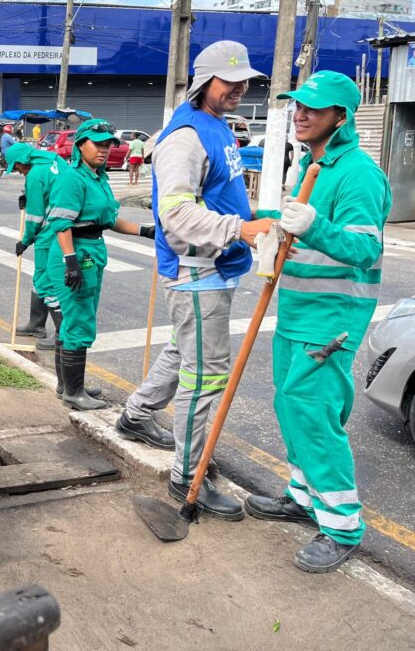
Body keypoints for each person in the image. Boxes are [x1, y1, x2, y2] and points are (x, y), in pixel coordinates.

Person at [116, 41, 273, 520]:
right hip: (198, 272)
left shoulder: (218, 125)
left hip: (214, 267)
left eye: (245, 81)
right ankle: (188, 476)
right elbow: (176, 216)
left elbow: (221, 195)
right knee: (205, 376)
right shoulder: (185, 137)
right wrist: (240, 229)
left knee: (184, 352)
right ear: (205, 82)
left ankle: (136, 415)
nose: (240, 89)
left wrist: (255, 218)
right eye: (230, 81)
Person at [245, 72, 391, 573]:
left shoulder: (358, 173)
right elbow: (299, 230)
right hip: (296, 312)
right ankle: (303, 497)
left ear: (341, 117)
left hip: (331, 319)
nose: (300, 115)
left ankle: (342, 526)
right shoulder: (313, 164)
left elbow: (364, 247)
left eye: (314, 108)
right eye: (298, 106)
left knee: (314, 416)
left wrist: (315, 225)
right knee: (290, 407)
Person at [44, 120, 155, 410]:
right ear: (81, 145)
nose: (104, 150)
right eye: (98, 144)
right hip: (75, 251)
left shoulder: (98, 178)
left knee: (73, 320)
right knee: (79, 321)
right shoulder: (72, 178)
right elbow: (62, 223)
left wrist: (145, 231)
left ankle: (67, 386)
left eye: (108, 144)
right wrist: (70, 262)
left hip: (91, 250)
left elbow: (108, 219)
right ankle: (74, 393)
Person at [6, 142, 66, 374]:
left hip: (49, 231)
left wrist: (25, 240)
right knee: (43, 277)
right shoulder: (53, 160)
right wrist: (28, 196)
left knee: (45, 280)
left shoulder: (34, 175)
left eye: (17, 167)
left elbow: (34, 216)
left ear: (24, 162)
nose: (18, 171)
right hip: (63, 225)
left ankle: (61, 333)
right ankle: (36, 324)